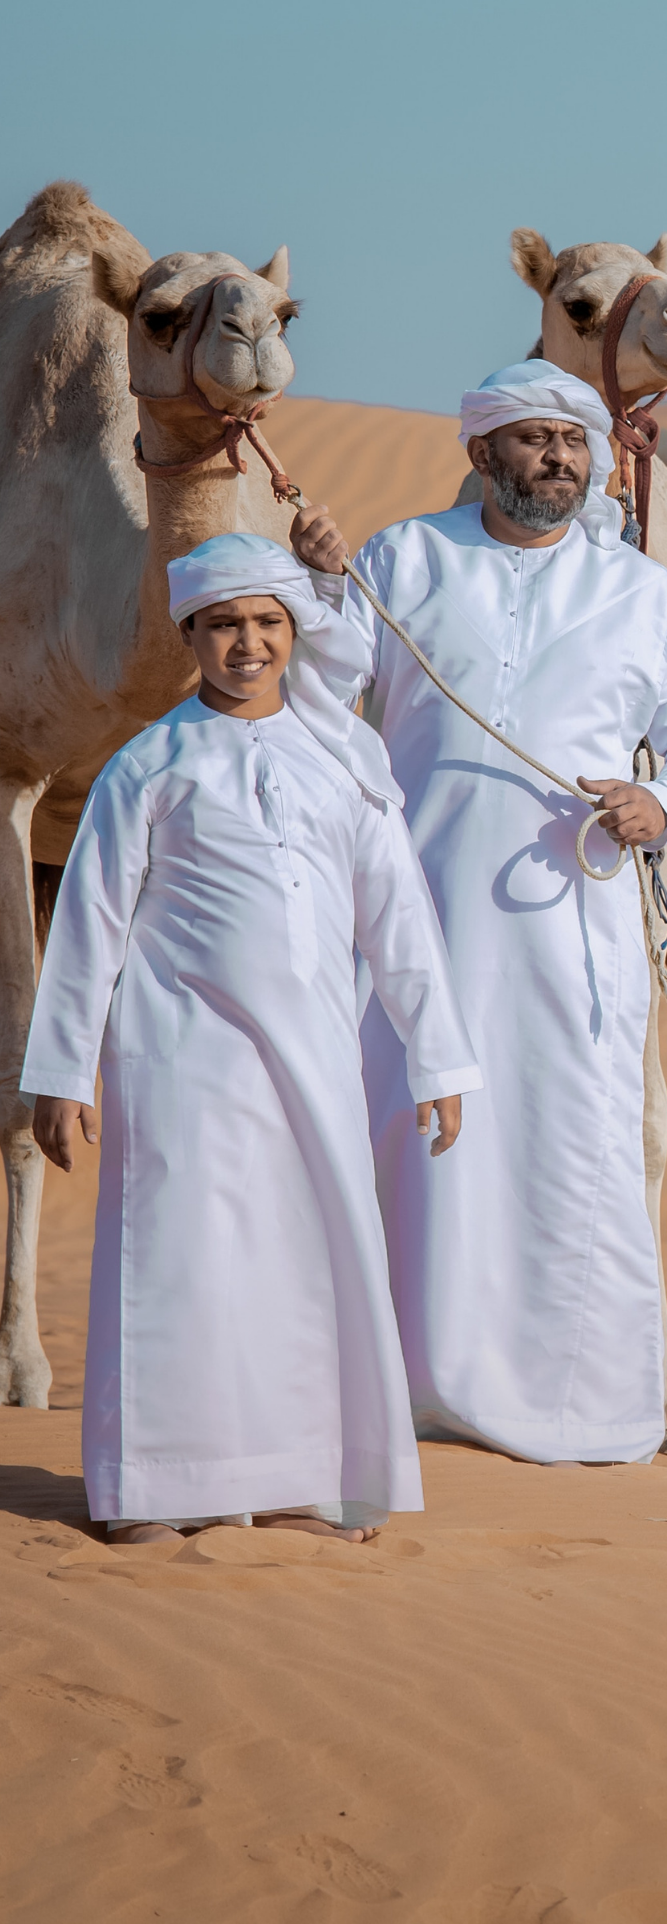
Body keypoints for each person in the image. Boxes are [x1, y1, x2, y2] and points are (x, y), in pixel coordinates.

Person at [290, 361, 667, 1465]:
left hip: (569, 923)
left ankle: (576, 1405)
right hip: (414, 913)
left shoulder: (642, 594)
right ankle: (404, 1389)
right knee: (411, 1134)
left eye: (575, 445)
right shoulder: (404, 558)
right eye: (535, 442)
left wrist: (661, 799)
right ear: (483, 454)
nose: (560, 462)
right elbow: (325, 682)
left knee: (569, 1142)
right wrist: (319, 588)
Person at [21, 535, 478, 1545]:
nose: (248, 643)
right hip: (180, 1057)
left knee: (306, 1265)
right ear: (191, 635)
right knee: (179, 1263)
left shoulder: (340, 763)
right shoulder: (149, 764)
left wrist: (437, 1057)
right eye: (226, 624)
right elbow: (90, 923)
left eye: (268, 623)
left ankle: (305, 1482)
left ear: (293, 633)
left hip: (316, 1060)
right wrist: (61, 1073)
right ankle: (160, 1487)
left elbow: (399, 923)